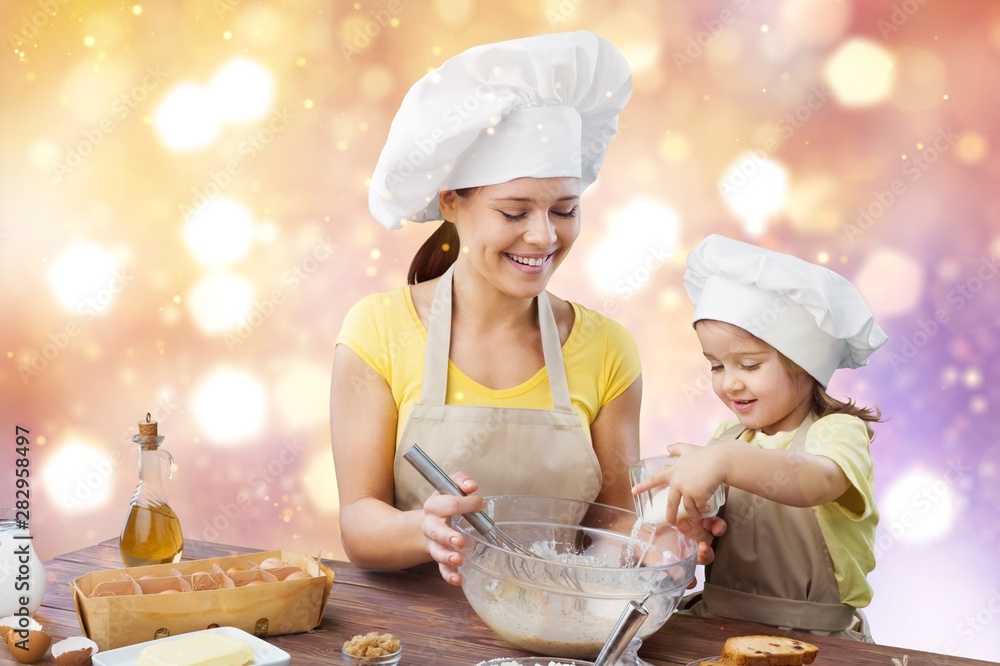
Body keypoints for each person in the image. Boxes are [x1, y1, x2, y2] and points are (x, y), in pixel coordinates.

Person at [331, 31, 720, 585]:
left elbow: (611, 527)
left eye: (564, 209)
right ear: (452, 203)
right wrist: (428, 530)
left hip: (558, 627)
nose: (543, 236)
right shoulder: (378, 329)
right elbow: (358, 523)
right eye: (514, 213)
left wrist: (655, 543)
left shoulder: (607, 349)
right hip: (415, 633)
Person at [632, 234, 888, 641]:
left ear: (804, 365)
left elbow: (818, 480)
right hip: (717, 628)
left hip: (813, 641)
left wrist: (723, 460)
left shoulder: (837, 432)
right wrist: (688, 536)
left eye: (748, 365)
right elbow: (710, 528)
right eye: (716, 366)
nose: (729, 383)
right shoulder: (730, 437)